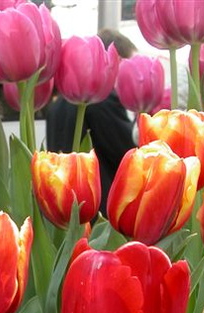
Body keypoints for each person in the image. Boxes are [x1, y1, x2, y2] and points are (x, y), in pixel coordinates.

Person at [45, 29, 137, 212]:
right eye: (130, 66)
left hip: (62, 200)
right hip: (95, 208)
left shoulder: (56, 105)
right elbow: (124, 153)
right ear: (113, 61)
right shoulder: (104, 99)